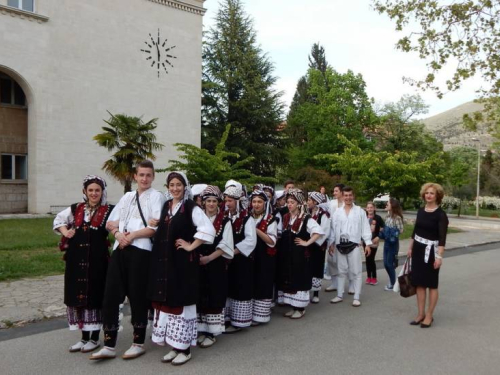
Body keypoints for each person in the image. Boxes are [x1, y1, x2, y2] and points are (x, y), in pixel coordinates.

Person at [91, 160, 165, 360]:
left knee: (138, 296)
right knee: (111, 295)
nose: (144, 178)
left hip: (141, 251)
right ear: (135, 176)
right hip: (120, 249)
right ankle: (109, 344)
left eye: (148, 175)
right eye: (141, 175)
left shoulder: (157, 197)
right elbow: (110, 223)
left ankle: (138, 342)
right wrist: (118, 234)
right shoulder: (127, 197)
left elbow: (155, 228)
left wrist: (131, 236)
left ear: (153, 177)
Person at [147, 171, 215, 366]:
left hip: (182, 266)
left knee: (181, 304)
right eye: (172, 185)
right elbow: (169, 226)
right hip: (165, 265)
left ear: (185, 186)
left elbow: (207, 229)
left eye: (178, 184)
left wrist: (191, 246)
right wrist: (158, 222)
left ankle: (184, 349)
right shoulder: (167, 206)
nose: (175, 188)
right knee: (169, 305)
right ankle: (174, 346)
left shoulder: (190, 207)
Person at [53, 175, 114, 353]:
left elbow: (121, 224)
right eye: (91, 190)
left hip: (97, 262)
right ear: (85, 192)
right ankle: (83, 338)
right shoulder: (76, 208)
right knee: (78, 296)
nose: (94, 193)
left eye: (97, 190)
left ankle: (94, 339)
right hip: (76, 261)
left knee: (94, 296)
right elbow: (58, 220)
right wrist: (66, 231)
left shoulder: (109, 210)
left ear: (102, 191)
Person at [277, 189, 323, 319]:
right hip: (288, 255)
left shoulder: (306, 218)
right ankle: (293, 307)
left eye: (292, 202)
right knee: (290, 279)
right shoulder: (286, 217)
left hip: (300, 256)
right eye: (288, 202)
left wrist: (307, 242)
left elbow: (318, 231)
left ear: (298, 203)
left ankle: (300, 308)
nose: (289, 204)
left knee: (299, 278)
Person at [197, 185, 234, 348]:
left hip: (215, 263)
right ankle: (202, 330)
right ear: (203, 203)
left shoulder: (225, 221)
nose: (211, 204)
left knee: (214, 294)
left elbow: (226, 245)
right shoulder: (197, 219)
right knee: (200, 294)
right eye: (208, 201)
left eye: (214, 201)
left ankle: (211, 333)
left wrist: (209, 258)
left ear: (218, 203)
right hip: (198, 263)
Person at [408, 183, 448, 328]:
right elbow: (415, 231)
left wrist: (439, 257)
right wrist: (410, 247)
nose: (429, 195)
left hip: (432, 252)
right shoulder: (420, 211)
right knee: (419, 283)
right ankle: (420, 313)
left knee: (431, 284)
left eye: (432, 193)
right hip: (418, 250)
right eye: (427, 193)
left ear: (437, 196)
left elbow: (442, 238)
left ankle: (429, 315)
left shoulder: (441, 215)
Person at [329, 186, 372, 307]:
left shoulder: (360, 211)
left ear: (353, 196)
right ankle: (339, 295)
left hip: (354, 245)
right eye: (346, 195)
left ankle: (356, 296)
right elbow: (333, 229)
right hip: (340, 245)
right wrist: (331, 243)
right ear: (342, 196)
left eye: (350, 195)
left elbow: (365, 228)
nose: (348, 198)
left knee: (356, 271)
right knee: (341, 271)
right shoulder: (337, 212)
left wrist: (367, 243)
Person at [224, 183, 257, 333]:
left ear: (237, 201)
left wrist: (233, 251)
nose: (227, 203)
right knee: (229, 287)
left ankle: (239, 322)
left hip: (241, 259)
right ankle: (228, 319)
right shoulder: (225, 216)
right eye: (226, 200)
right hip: (228, 259)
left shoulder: (247, 218)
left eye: (230, 200)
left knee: (240, 287)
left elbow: (251, 241)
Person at [250, 190, 278, 325]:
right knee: (252, 282)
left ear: (265, 204)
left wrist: (255, 230)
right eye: (254, 201)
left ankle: (260, 316)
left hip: (264, 257)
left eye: (259, 202)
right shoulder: (247, 217)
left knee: (263, 282)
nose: (256, 204)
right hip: (250, 257)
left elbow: (272, 241)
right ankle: (249, 314)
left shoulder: (270, 219)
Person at [307, 192, 331, 304]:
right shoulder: (307, 213)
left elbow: (324, 231)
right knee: (308, 267)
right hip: (307, 244)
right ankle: (306, 290)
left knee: (317, 267)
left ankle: (316, 293)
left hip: (317, 246)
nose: (307, 202)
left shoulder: (323, 215)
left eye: (309, 200)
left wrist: (314, 241)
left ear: (315, 202)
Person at [325, 183, 345, 292]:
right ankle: (334, 283)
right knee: (331, 259)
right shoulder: (331, 203)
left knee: (343, 261)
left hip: (343, 236)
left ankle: (348, 283)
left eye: (336, 191)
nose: (334, 193)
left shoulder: (346, 204)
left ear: (342, 192)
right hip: (332, 234)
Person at [382, 198, 404, 291]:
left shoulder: (397, 218)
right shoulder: (387, 217)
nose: (386, 205)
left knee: (389, 264)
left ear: (392, 205)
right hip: (386, 242)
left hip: (393, 244)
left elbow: (401, 231)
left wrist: (391, 231)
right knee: (386, 264)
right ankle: (393, 282)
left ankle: (393, 283)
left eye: (388, 204)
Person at [364, 202, 384, 286]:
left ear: (374, 208)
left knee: (371, 259)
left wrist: (378, 237)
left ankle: (374, 277)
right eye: (368, 208)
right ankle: (369, 276)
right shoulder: (364, 217)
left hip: (374, 241)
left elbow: (383, 228)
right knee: (367, 259)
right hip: (365, 242)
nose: (369, 209)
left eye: (371, 207)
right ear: (366, 209)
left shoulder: (378, 218)